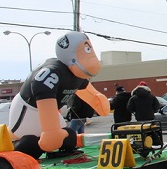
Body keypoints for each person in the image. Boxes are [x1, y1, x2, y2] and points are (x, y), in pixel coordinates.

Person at [8, 31, 110, 159]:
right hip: (29, 108)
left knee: (68, 137)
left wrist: (98, 99)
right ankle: (15, 142)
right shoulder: (53, 72)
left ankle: (53, 147)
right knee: (29, 144)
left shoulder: (77, 74)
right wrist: (50, 131)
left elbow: (85, 89)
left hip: (50, 112)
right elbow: (43, 96)